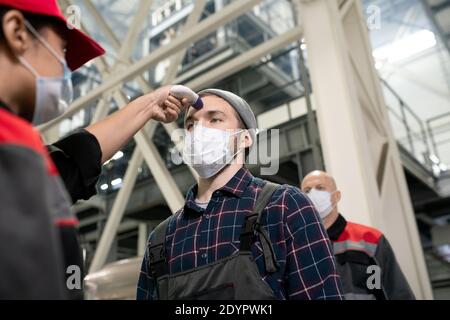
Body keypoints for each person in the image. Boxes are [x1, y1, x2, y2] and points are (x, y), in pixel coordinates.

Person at [0, 0, 188, 299]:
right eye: (62, 52)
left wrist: (149, 104)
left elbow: (73, 161)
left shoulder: (20, 151)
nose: (65, 71)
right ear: (17, 32)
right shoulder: (11, 150)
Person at [137, 89, 344, 300]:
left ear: (245, 138)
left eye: (215, 119)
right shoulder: (161, 239)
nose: (199, 131)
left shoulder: (285, 206)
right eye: (191, 124)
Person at [301, 170, 416, 300]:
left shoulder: (370, 239)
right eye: (307, 191)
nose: (313, 194)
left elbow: (396, 291)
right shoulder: (296, 247)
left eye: (320, 188)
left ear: (336, 196)